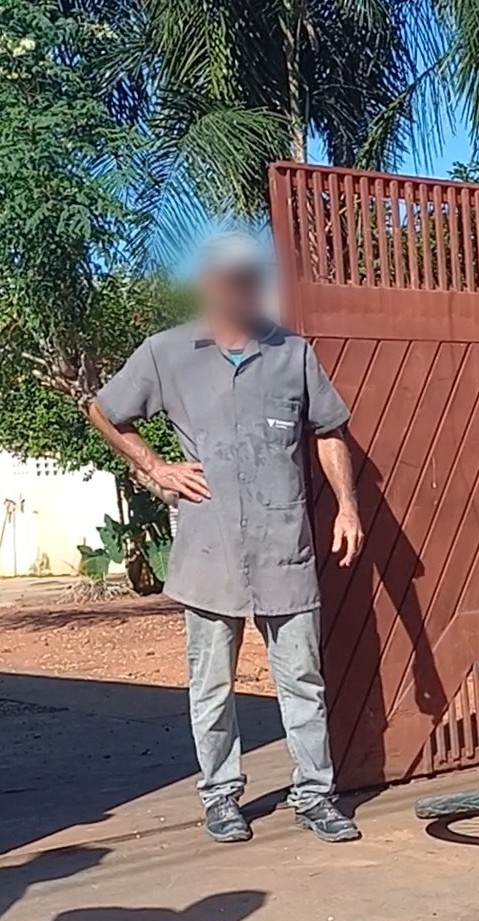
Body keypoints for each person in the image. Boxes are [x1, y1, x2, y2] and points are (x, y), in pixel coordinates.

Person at [87, 231, 363, 845]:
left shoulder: (292, 353)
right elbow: (104, 410)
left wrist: (347, 507)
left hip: (283, 546)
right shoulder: (167, 353)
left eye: (252, 276)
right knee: (210, 686)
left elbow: (329, 432)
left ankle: (315, 795)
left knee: (303, 681)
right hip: (209, 554)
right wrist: (155, 467)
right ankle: (220, 795)